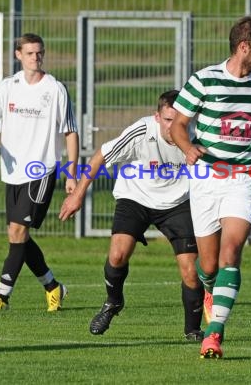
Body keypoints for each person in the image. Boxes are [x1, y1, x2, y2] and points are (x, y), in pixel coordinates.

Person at [170, 16, 251, 358]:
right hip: (207, 179)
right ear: (244, 47)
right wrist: (188, 148)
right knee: (207, 267)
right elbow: (179, 124)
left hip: (244, 178)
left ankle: (214, 334)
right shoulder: (204, 80)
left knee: (230, 254)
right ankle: (211, 291)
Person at [59, 90, 205, 341]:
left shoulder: (196, 136)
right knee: (117, 254)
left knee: (190, 270)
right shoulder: (141, 131)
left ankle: (193, 330)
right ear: (157, 117)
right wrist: (78, 194)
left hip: (177, 202)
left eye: (178, 120)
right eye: (167, 120)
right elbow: (101, 156)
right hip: (135, 196)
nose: (172, 127)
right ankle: (113, 302)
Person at [0, 33, 79, 312]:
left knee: (18, 231)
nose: (36, 58)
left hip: (41, 171)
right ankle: (53, 287)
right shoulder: (9, 87)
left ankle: (2, 297)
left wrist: (72, 173)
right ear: (18, 55)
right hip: (12, 173)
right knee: (19, 236)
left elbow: (70, 132)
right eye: (30, 53)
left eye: (39, 53)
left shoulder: (55, 89)